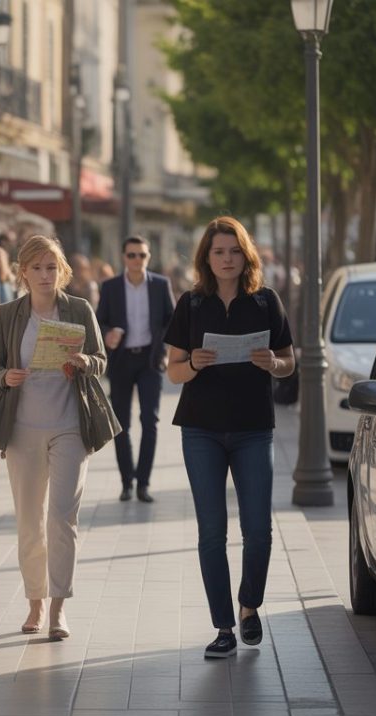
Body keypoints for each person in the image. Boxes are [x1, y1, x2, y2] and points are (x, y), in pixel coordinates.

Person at [162, 216, 295, 659]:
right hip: (201, 429)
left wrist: (271, 365)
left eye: (234, 251)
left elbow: (288, 361)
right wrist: (195, 364)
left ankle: (249, 606)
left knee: (258, 530)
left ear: (246, 256)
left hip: (254, 428)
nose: (226, 259)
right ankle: (223, 626)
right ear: (206, 257)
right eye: (218, 251)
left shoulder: (265, 302)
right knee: (211, 532)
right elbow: (174, 370)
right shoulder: (192, 305)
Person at [0, 234, 111, 641]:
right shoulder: (7, 314)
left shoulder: (79, 309)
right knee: (29, 521)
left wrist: (83, 361)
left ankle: (58, 607)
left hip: (70, 424)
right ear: (22, 272)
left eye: (51, 267)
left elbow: (101, 360)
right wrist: (5, 376)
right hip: (22, 430)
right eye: (36, 268)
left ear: (62, 272)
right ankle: (34, 600)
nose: (44, 275)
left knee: (61, 517)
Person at [96, 236, 176, 503]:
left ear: (149, 257)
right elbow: (100, 322)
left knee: (150, 422)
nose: (137, 260)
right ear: (123, 258)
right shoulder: (110, 287)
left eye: (142, 255)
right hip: (121, 361)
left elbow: (172, 321)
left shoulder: (161, 285)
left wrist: (162, 345)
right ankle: (126, 482)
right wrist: (108, 334)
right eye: (131, 255)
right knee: (121, 425)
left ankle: (143, 483)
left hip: (150, 362)